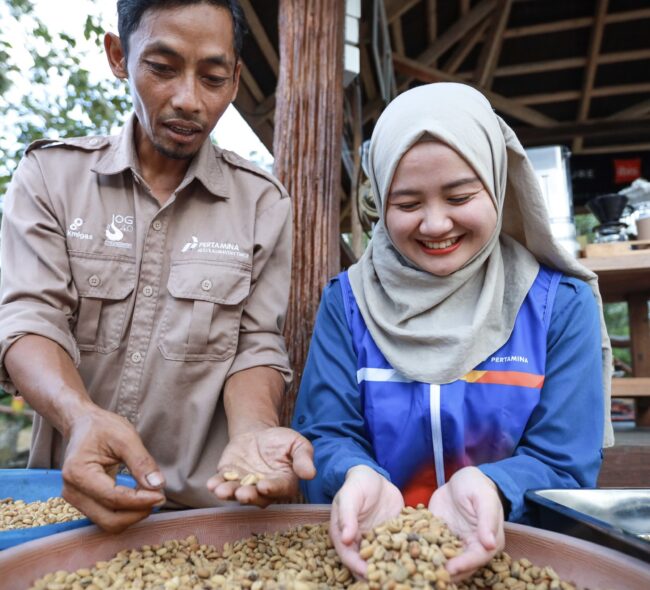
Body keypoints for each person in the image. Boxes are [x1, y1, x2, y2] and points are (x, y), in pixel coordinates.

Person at [0, 0, 314, 533]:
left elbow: (255, 342)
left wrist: (255, 430)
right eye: (162, 69)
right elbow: (29, 318)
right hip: (69, 506)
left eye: (213, 77)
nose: (189, 100)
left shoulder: (263, 203)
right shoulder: (52, 177)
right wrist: (79, 417)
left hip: (207, 512)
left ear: (235, 80)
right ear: (119, 56)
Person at [292, 82, 613, 581]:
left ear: (496, 184)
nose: (435, 224)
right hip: (370, 564)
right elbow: (326, 433)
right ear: (380, 200)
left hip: (511, 556)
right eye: (406, 203)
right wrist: (352, 474)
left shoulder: (558, 307)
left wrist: (495, 488)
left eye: (460, 195)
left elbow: (565, 461)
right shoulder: (347, 303)